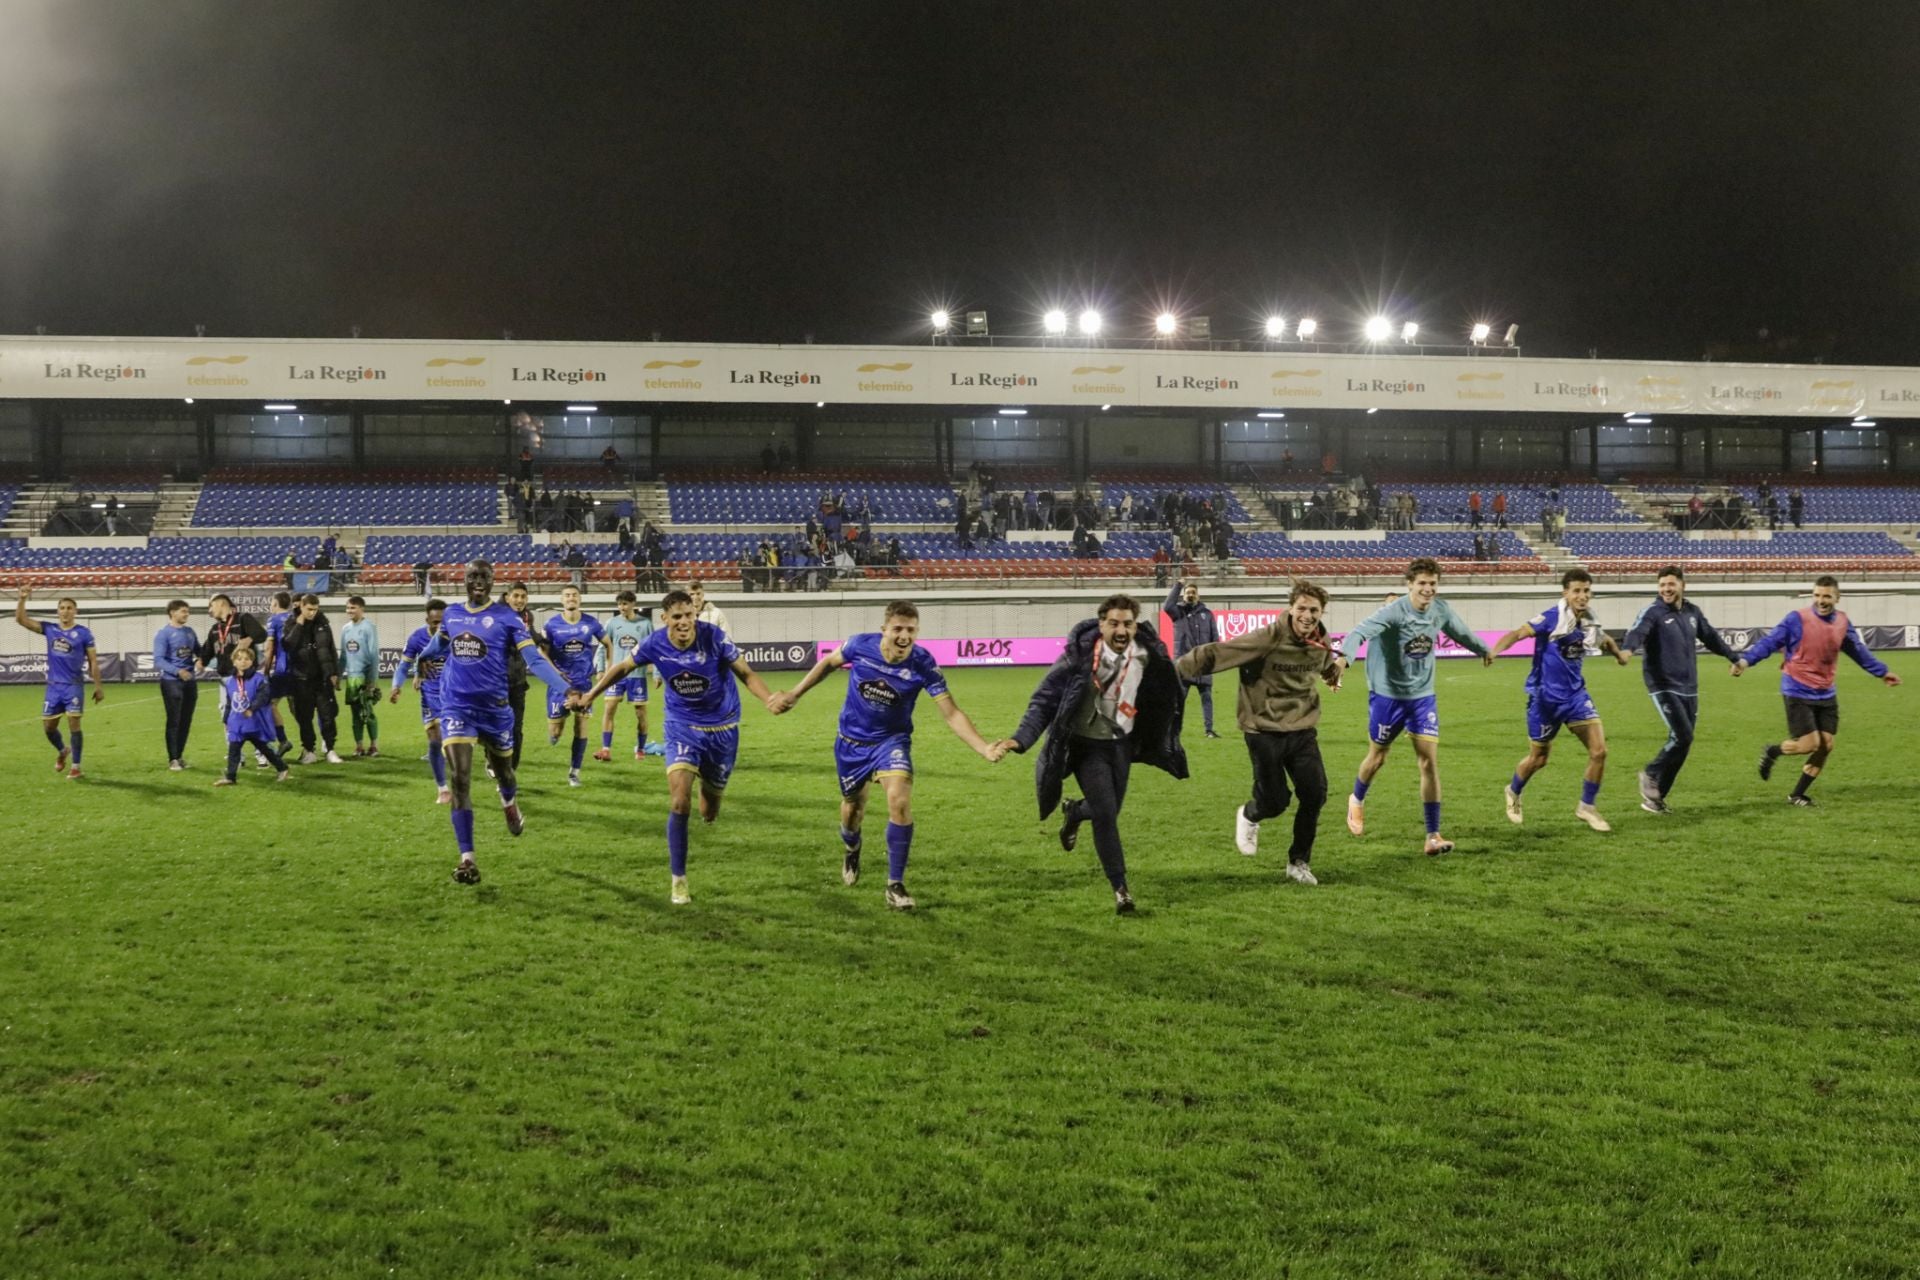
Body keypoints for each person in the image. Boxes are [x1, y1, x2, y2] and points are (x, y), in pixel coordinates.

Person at [771, 601, 1000, 910]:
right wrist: (795, 694)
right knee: (853, 809)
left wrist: (983, 747)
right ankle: (852, 848)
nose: (904, 636)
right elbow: (827, 664)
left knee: (900, 799)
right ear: (884, 630)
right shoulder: (860, 645)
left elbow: (951, 713)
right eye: (898, 629)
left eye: (911, 630)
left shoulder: (923, 664)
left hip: (892, 742)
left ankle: (895, 885)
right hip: (851, 742)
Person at [570, 588, 782, 905]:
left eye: (689, 615)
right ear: (664, 618)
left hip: (722, 730)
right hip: (681, 727)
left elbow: (746, 673)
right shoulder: (655, 643)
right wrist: (590, 695)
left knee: (709, 811)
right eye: (678, 617)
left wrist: (768, 699)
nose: (685, 622)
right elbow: (621, 668)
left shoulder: (714, 638)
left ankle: (708, 789)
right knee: (679, 801)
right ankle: (678, 880)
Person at [993, 594, 1188, 914]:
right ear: (1102, 625)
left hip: (1122, 745)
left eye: (1127, 623)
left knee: (1106, 809)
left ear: (1135, 626)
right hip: (1085, 746)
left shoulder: (1148, 655)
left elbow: (1165, 693)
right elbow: (1043, 700)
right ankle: (1121, 889)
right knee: (1107, 813)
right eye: (1113, 623)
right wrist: (1020, 739)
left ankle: (1075, 813)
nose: (1121, 630)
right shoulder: (1079, 656)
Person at [418, 560, 579, 884]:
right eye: (472, 576)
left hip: (494, 710)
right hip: (457, 707)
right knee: (460, 778)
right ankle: (467, 859)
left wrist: (565, 687)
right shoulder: (452, 614)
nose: (478, 582)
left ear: (493, 582)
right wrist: (423, 656)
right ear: (464, 581)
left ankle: (509, 802)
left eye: (484, 577)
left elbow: (533, 658)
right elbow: (440, 642)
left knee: (505, 771)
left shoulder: (508, 618)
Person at [1175, 578, 1341, 884]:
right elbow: (1219, 652)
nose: (1307, 615)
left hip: (1302, 729)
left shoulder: (1322, 641)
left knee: (1315, 795)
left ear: (1321, 613)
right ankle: (1250, 814)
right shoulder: (1268, 637)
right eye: (1302, 608)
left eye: (1314, 610)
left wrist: (1335, 671)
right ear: (1291, 608)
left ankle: (1298, 862)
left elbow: (1328, 666)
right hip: (1262, 729)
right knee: (1275, 802)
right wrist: (1174, 670)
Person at [1333, 558, 1492, 856]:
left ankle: (1432, 835)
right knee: (1378, 757)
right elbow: (1358, 634)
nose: (1428, 589)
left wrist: (1482, 648)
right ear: (1409, 584)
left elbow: (1460, 631)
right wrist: (1343, 659)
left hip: (1422, 698)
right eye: (1422, 583)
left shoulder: (1440, 610)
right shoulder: (1393, 612)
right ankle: (1356, 799)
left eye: (1433, 583)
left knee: (1428, 763)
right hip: (1387, 698)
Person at [1736, 574, 1901, 806]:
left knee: (1826, 745)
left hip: (1826, 692)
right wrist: (1745, 662)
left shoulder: (1842, 622)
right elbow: (1769, 642)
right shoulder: (1797, 619)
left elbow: (1857, 650)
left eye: (1826, 596)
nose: (1821, 600)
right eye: (1817, 595)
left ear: (1837, 597)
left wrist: (1882, 672)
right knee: (1809, 744)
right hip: (1797, 689)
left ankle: (1797, 795)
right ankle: (1772, 751)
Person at [1489, 568, 1629, 832]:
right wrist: (1495, 650)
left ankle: (1586, 806)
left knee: (1599, 751)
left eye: (1586, 591)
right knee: (1539, 759)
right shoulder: (1552, 617)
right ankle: (1513, 790)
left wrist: (1619, 655)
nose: (1582, 596)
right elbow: (1519, 633)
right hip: (1545, 700)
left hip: (1576, 697)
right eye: (1576, 591)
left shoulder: (1590, 622)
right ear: (1565, 593)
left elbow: (1605, 639)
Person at [1617, 566, 1738, 812]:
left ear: (1682, 585)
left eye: (1671, 584)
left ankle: (1657, 798)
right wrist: (1627, 651)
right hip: (1662, 684)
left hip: (1689, 685)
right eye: (1662, 585)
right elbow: (1638, 631)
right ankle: (1651, 772)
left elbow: (1711, 637)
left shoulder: (1693, 612)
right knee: (1682, 736)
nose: (1666, 590)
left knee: (1684, 743)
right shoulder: (1653, 611)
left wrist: (1733, 657)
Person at [16, 587, 104, 779]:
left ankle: (76, 767)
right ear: (58, 611)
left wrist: (98, 686)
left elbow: (93, 661)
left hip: (73, 685)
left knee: (74, 723)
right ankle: (63, 750)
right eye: (62, 607)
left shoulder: (84, 633)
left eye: (69, 608)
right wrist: (22, 599)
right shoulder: (50, 629)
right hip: (54, 686)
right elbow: (21, 620)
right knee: (49, 728)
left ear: (75, 611)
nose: (65, 611)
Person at [542, 584, 610, 786]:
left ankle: (574, 773)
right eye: (567, 595)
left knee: (581, 726)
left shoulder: (591, 623)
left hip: (583, 685)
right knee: (555, 732)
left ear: (580, 599)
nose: (571, 598)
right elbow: (542, 652)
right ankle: (555, 733)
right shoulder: (551, 625)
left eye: (574, 595)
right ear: (562, 600)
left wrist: (607, 668)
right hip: (559, 685)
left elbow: (608, 643)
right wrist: (555, 673)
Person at [390, 598, 451, 803]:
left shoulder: (456, 637)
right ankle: (442, 788)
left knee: (452, 744)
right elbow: (402, 666)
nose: (439, 626)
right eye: (435, 623)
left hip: (453, 696)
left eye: (442, 622)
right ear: (427, 620)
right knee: (435, 741)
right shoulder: (417, 638)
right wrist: (396, 686)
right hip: (429, 697)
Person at [213, 645, 289, 786]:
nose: (243, 661)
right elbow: (230, 702)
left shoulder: (259, 679)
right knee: (233, 750)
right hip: (237, 723)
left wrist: (251, 709)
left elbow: (263, 697)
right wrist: (226, 719)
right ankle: (230, 777)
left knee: (264, 749)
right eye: (239, 659)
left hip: (253, 722)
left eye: (247, 659)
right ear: (234, 661)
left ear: (252, 662)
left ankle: (282, 768)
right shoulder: (230, 681)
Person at [282, 593, 344, 764]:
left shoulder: (323, 623)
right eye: (309, 609)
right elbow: (287, 645)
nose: (312, 613)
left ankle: (330, 749)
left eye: (315, 610)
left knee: (327, 716)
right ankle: (309, 750)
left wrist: (334, 673)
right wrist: (299, 625)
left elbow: (330, 649)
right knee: (305, 718)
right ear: (301, 606)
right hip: (301, 679)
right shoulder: (291, 623)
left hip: (322, 679)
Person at [596, 590, 658, 761]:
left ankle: (641, 749)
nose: (622, 607)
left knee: (641, 713)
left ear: (633, 604)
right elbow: (603, 647)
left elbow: (654, 648)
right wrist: (601, 669)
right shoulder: (612, 623)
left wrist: (657, 673)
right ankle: (606, 749)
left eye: (625, 604)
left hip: (637, 675)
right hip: (616, 675)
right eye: (619, 604)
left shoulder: (645, 624)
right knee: (609, 709)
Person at [1163, 577, 1221, 738]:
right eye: (1187, 592)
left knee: (1207, 699)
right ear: (1183, 596)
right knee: (1179, 701)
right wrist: (1178, 585)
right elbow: (1167, 606)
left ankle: (1209, 730)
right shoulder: (1178, 613)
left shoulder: (1207, 614)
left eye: (1193, 593)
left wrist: (1214, 659)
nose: (1190, 595)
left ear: (1198, 596)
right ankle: (1173, 731)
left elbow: (1215, 639)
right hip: (1185, 665)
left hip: (1203, 664)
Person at [154, 598, 202, 771]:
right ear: (172, 613)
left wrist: (205, 657)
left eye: (187, 611)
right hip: (171, 682)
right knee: (174, 720)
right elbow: (159, 659)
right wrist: (177, 671)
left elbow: (199, 650)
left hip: (190, 682)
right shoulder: (163, 633)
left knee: (186, 721)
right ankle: (172, 758)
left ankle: (179, 756)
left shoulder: (190, 632)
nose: (186, 614)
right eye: (183, 611)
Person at [338, 595, 382, 757]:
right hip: (351, 678)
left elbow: (373, 655)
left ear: (362, 609)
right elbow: (343, 656)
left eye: (353, 608)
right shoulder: (345, 629)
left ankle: (374, 746)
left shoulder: (369, 627)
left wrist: (372, 680)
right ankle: (359, 746)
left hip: (365, 677)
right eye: (348, 608)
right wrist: (338, 676)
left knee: (368, 712)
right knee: (355, 714)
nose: (349, 611)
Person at [259, 591, 298, 761]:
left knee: (270, 704)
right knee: (298, 710)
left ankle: (282, 740)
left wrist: (266, 671)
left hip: (282, 671)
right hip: (299, 671)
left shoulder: (273, 620)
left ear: (275, 604)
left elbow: (269, 649)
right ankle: (311, 747)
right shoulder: (296, 618)